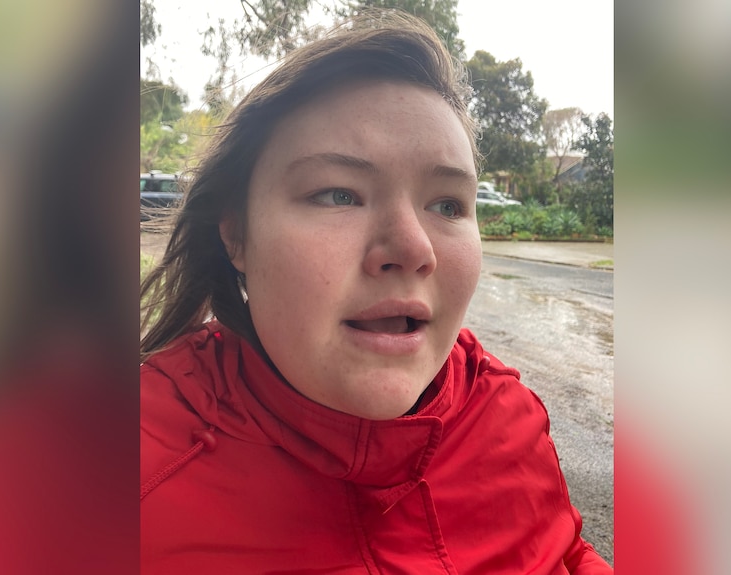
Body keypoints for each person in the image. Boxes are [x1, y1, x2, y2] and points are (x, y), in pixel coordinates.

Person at [140, 12, 612, 574]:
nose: (414, 248)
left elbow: (563, 554)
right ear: (237, 235)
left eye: (447, 205)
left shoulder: (507, 416)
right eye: (338, 194)